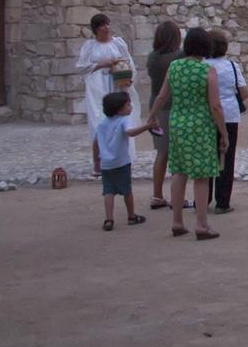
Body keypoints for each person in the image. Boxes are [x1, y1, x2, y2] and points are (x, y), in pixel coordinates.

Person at [147, 27, 228, 240]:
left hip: (178, 124)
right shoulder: (207, 71)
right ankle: (201, 224)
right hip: (200, 126)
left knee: (179, 172)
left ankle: (177, 221)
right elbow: (215, 106)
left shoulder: (174, 67)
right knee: (201, 175)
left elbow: (162, 96)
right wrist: (224, 132)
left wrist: (152, 116)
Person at [76, 14, 142, 177]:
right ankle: (98, 161)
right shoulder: (89, 46)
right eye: (102, 26)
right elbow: (81, 67)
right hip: (97, 87)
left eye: (107, 24)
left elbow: (129, 63)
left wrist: (127, 78)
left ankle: (123, 160)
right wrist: (102, 65)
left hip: (116, 85)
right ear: (96, 29)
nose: (106, 28)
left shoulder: (118, 43)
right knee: (99, 122)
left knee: (122, 121)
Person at [94, 92, 155, 231]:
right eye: (128, 104)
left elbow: (95, 143)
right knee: (127, 190)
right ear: (119, 109)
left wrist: (96, 162)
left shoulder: (102, 124)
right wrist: (147, 126)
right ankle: (131, 216)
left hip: (106, 164)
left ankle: (109, 219)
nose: (130, 106)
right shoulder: (123, 120)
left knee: (108, 191)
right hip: (121, 162)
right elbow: (130, 132)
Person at [206, 29, 247, 214]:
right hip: (229, 115)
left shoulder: (203, 66)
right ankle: (223, 201)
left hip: (207, 115)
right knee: (226, 158)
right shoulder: (232, 66)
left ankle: (203, 198)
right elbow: (244, 92)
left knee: (207, 157)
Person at [146, 20, 182, 210]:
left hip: (156, 108)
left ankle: (157, 194)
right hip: (172, 107)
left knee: (161, 153)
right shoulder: (177, 57)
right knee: (176, 154)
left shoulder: (152, 58)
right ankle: (178, 196)